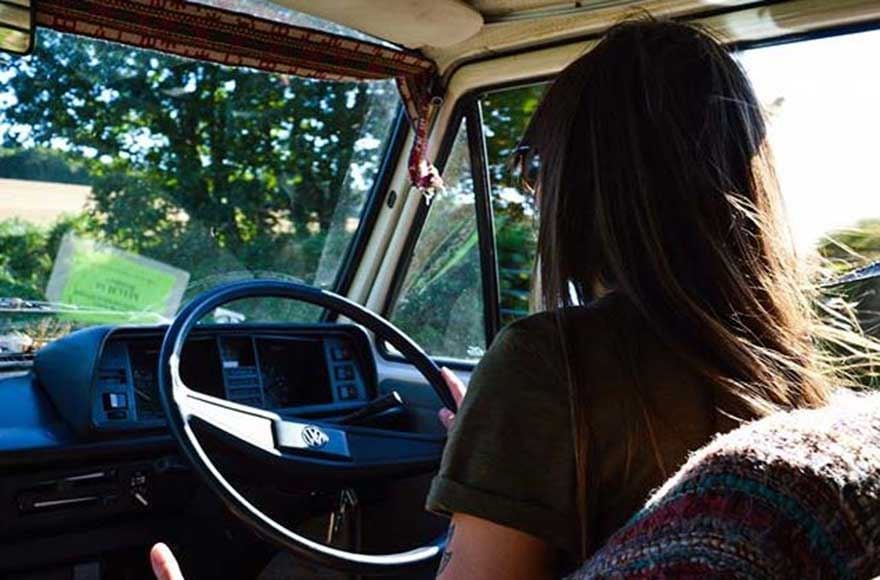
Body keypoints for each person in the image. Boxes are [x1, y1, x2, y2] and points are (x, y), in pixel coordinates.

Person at [150, 17, 877, 580]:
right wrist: (499, 438)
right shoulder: (790, 377)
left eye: (535, 169)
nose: (532, 197)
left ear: (582, 183)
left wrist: (522, 414)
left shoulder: (551, 361)